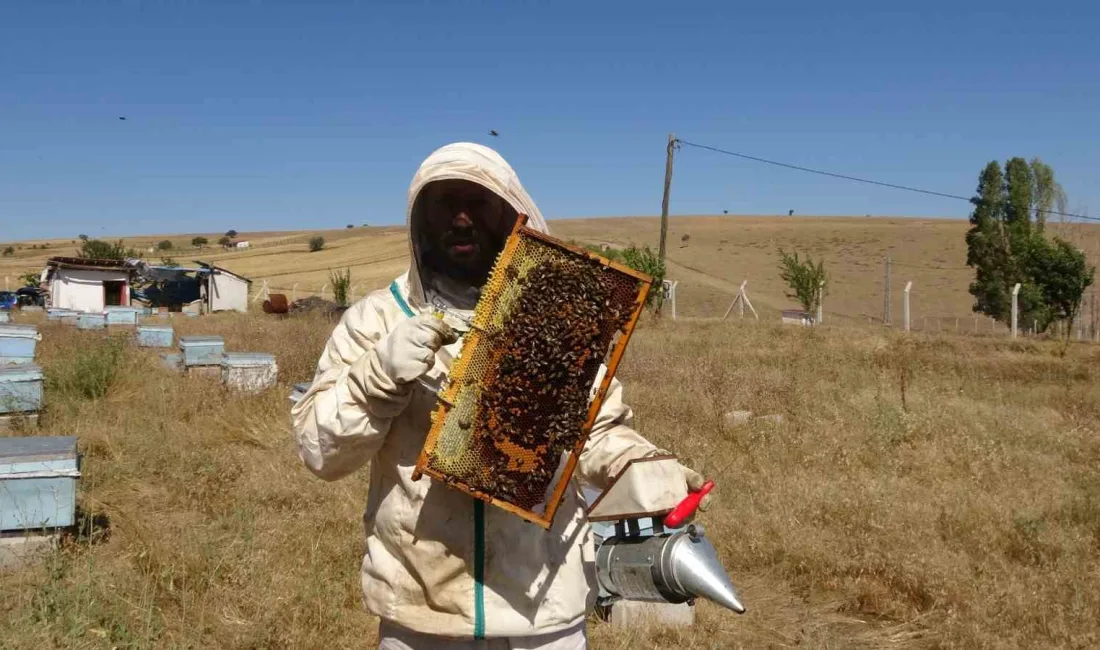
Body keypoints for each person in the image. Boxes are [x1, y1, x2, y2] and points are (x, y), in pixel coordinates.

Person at [291, 142, 711, 649]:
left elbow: (594, 430)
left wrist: (642, 469)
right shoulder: (375, 321)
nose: (461, 219)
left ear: (513, 210)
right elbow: (321, 452)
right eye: (444, 204)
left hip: (546, 614)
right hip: (423, 617)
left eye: (478, 203)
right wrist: (376, 376)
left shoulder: (557, 316)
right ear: (419, 219)